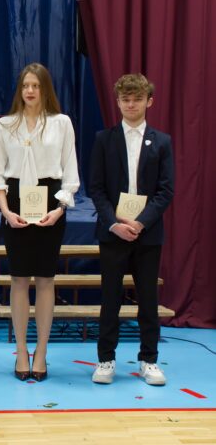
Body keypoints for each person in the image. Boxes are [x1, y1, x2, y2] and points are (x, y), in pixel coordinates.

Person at [0, 62, 79, 382]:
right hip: (14, 203)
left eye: (36, 86)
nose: (30, 91)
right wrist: (5, 210)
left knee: (45, 279)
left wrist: (59, 209)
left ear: (45, 89)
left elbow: (70, 174)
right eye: (25, 85)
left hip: (50, 203)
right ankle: (22, 350)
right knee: (18, 279)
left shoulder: (61, 123)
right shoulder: (5, 125)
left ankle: (41, 351)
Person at [88, 73, 174, 386]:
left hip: (147, 234)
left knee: (148, 299)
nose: (131, 104)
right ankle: (105, 359)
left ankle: (149, 360)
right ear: (118, 102)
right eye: (126, 99)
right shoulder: (104, 139)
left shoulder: (162, 141)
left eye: (137, 99)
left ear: (149, 101)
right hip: (113, 233)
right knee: (110, 298)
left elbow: (166, 190)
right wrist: (113, 223)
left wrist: (140, 222)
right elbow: (96, 188)